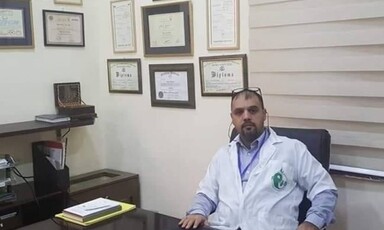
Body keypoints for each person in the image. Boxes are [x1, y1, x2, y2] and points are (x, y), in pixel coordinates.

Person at [179, 87, 337, 230]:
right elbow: (206, 193)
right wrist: (198, 211)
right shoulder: (223, 155)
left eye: (253, 110)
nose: (246, 116)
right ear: (232, 118)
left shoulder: (292, 149)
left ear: (264, 114)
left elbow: (325, 189)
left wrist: (312, 222)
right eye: (239, 112)